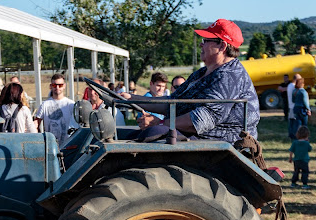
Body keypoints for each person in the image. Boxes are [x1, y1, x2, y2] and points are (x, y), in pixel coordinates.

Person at [120, 19, 259, 144]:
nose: (201, 44)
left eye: (206, 40)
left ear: (222, 46)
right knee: (123, 135)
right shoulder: (202, 73)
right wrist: (131, 99)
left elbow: (202, 120)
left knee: (153, 132)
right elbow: (172, 102)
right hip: (194, 136)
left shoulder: (229, 76)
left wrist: (162, 122)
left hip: (221, 142)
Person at [34, 73, 76, 147]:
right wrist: (39, 139)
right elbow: (36, 123)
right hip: (50, 146)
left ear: (64, 86)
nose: (57, 87)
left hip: (68, 146)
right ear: (50, 86)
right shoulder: (44, 104)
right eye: (54, 85)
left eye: (60, 85)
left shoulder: (71, 104)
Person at [287, 73, 301, 139]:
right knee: (295, 122)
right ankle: (295, 135)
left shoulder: (289, 85)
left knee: (291, 122)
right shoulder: (294, 87)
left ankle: (290, 134)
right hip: (294, 106)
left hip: (290, 105)